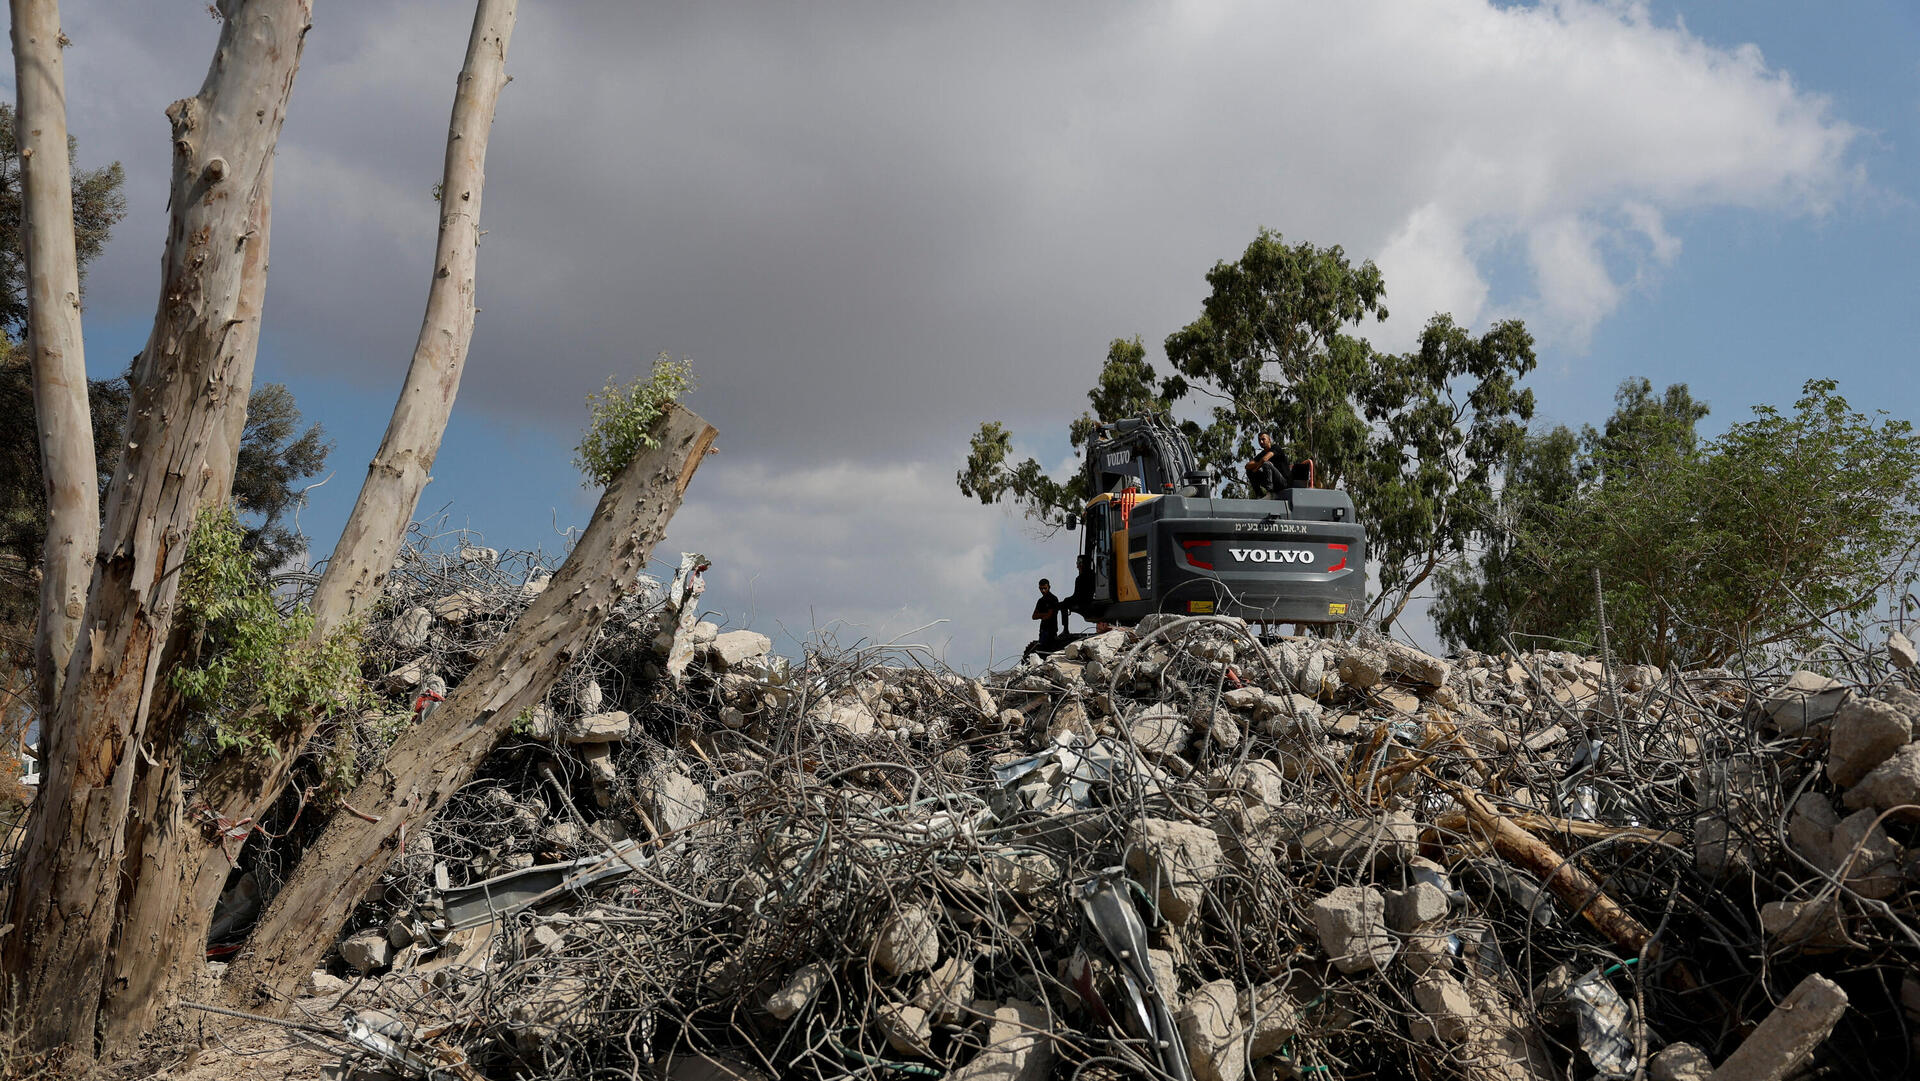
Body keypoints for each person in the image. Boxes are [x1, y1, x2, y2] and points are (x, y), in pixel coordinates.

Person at [1027, 578, 1062, 657]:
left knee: (1049, 652)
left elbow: (1049, 615)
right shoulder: (1041, 601)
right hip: (1043, 630)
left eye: (1045, 588)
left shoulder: (1053, 599)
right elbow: (1034, 616)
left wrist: (1041, 615)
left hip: (1051, 630)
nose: (1043, 590)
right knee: (1041, 651)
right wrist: (1044, 615)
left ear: (1049, 587)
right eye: (1041, 588)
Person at [1063, 555, 1096, 630]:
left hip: (1083, 602)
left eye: (1079, 563)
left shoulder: (1080, 578)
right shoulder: (1094, 575)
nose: (1077, 566)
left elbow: (1076, 596)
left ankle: (1065, 629)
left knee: (1065, 602)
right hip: (1089, 600)